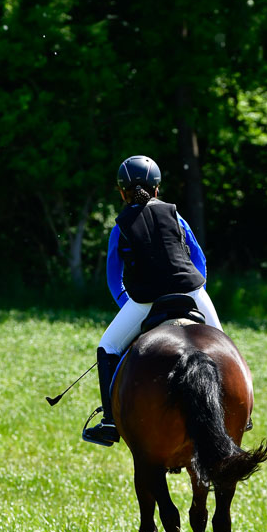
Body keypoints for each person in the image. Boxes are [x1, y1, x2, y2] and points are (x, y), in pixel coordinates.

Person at [83, 154, 223, 447]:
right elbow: (199, 258)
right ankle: (237, 414)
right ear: (157, 188)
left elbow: (113, 277)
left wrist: (129, 307)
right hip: (191, 292)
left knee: (107, 347)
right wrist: (197, 293)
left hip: (146, 300)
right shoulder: (175, 214)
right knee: (222, 344)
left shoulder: (121, 225)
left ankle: (109, 421)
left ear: (122, 192)